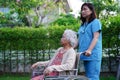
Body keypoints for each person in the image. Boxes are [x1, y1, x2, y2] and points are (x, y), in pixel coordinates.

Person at [78, 3, 102, 80]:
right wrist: (69, 47)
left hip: (93, 54)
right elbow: (79, 40)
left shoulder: (96, 22)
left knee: (93, 77)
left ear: (91, 11)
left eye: (85, 9)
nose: (82, 11)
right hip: (84, 55)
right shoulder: (83, 25)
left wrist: (89, 50)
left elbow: (96, 37)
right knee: (88, 77)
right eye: (82, 9)